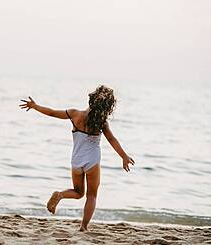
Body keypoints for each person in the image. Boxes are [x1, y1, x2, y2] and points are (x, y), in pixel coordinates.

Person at [19, 85, 135, 231]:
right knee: (91, 195)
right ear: (107, 107)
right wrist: (124, 156)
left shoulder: (75, 114)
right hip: (92, 161)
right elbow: (112, 139)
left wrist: (35, 106)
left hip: (76, 160)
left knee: (78, 192)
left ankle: (60, 195)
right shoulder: (102, 122)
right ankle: (83, 227)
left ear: (91, 100)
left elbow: (53, 113)